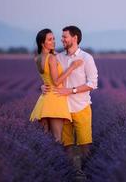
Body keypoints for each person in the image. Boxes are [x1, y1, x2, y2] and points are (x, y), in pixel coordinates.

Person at [42, 26, 98, 175]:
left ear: (75, 38)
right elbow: (52, 79)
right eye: (61, 37)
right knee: (65, 145)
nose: (62, 39)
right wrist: (43, 86)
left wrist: (71, 91)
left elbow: (93, 83)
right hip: (62, 108)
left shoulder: (86, 58)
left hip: (81, 107)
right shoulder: (58, 57)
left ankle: (87, 173)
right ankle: (69, 173)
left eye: (64, 37)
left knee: (85, 143)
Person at [30, 28, 83, 143]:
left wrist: (42, 86)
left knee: (44, 138)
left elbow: (47, 78)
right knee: (57, 139)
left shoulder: (37, 58)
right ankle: (56, 161)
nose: (54, 41)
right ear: (42, 43)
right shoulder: (52, 58)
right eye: (50, 39)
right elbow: (56, 82)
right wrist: (72, 67)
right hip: (55, 99)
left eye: (53, 39)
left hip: (44, 101)